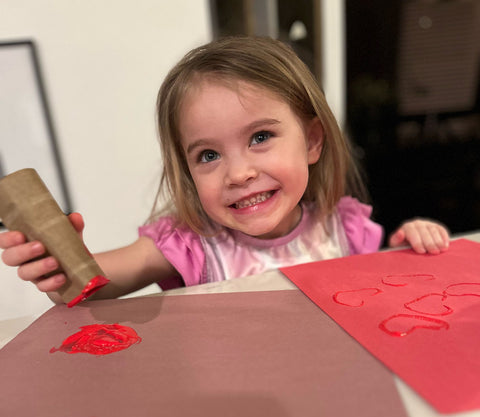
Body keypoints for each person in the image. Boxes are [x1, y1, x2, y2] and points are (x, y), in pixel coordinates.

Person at [0, 36, 449, 303]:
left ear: (312, 140)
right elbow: (96, 284)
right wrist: (62, 262)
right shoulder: (192, 245)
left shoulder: (345, 228)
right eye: (209, 156)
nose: (237, 174)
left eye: (259, 138)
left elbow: (383, 299)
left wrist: (409, 247)